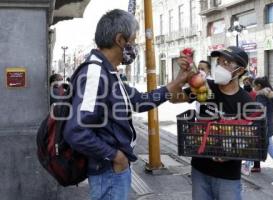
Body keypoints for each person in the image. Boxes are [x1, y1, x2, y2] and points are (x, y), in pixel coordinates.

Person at [63, 9, 189, 200]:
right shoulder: (95, 74)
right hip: (109, 171)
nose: (135, 46)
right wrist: (116, 156)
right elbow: (76, 131)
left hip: (114, 170)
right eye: (134, 40)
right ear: (120, 40)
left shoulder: (109, 72)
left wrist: (176, 82)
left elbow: (138, 101)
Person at [174, 46, 254, 199]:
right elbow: (174, 98)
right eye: (219, 61)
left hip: (228, 176)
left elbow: (250, 141)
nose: (220, 66)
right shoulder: (205, 87)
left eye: (227, 62)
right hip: (200, 169)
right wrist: (182, 75)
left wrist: (232, 154)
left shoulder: (246, 102)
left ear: (240, 71)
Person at [242, 76, 273, 187]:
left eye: (253, 85)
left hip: (263, 128)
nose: (252, 87)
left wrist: (248, 119)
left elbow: (259, 111)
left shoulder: (261, 95)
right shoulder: (269, 93)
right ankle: (246, 166)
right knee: (253, 145)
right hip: (267, 126)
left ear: (259, 86)